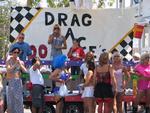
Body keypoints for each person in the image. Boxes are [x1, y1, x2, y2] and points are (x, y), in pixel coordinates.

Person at [6, 47, 27, 113]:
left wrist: (20, 64)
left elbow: (25, 71)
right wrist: (15, 64)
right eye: (15, 52)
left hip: (18, 82)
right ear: (12, 53)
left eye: (17, 52)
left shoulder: (21, 62)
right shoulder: (9, 61)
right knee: (11, 101)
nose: (16, 54)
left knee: (19, 101)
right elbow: (8, 70)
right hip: (11, 82)